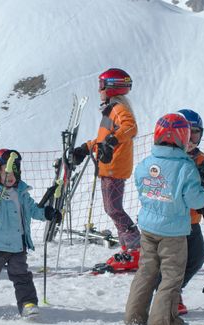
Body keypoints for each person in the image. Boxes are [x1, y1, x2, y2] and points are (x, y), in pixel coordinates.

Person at [124, 113, 204, 325]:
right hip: (174, 233)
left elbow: (142, 186)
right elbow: (195, 200)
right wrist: (203, 192)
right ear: (183, 137)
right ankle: (162, 323)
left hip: (148, 229)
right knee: (171, 277)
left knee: (145, 273)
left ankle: (134, 318)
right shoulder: (185, 168)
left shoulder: (146, 163)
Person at [0, 149, 62, 318]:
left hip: (18, 244)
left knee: (21, 275)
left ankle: (28, 303)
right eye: (6, 172)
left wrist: (48, 213)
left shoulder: (21, 192)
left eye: (14, 172)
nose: (10, 176)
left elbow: (34, 209)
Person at [72, 68, 140, 271]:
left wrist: (112, 140)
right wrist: (86, 147)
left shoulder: (118, 109)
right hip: (109, 167)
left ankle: (136, 249)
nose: (98, 89)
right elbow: (103, 140)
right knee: (112, 209)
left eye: (101, 85)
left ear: (110, 87)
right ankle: (130, 249)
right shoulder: (111, 109)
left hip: (114, 168)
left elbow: (131, 127)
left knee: (114, 209)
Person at [175, 109, 204, 315]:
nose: (191, 139)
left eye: (196, 134)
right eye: (186, 133)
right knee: (173, 260)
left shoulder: (201, 160)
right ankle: (168, 295)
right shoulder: (170, 157)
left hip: (192, 220)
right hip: (172, 221)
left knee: (197, 256)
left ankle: (174, 291)